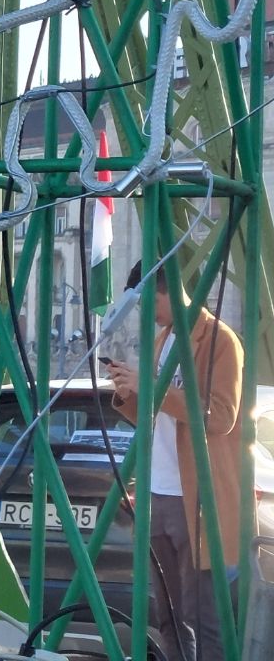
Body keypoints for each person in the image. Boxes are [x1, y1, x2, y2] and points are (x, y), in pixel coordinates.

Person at [108, 263, 246, 661]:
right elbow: (155, 415)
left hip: (196, 497)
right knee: (169, 616)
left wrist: (151, 387)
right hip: (157, 493)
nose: (147, 313)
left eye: (150, 303)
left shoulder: (219, 340)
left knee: (203, 616)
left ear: (171, 291)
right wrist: (127, 392)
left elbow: (221, 416)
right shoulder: (162, 339)